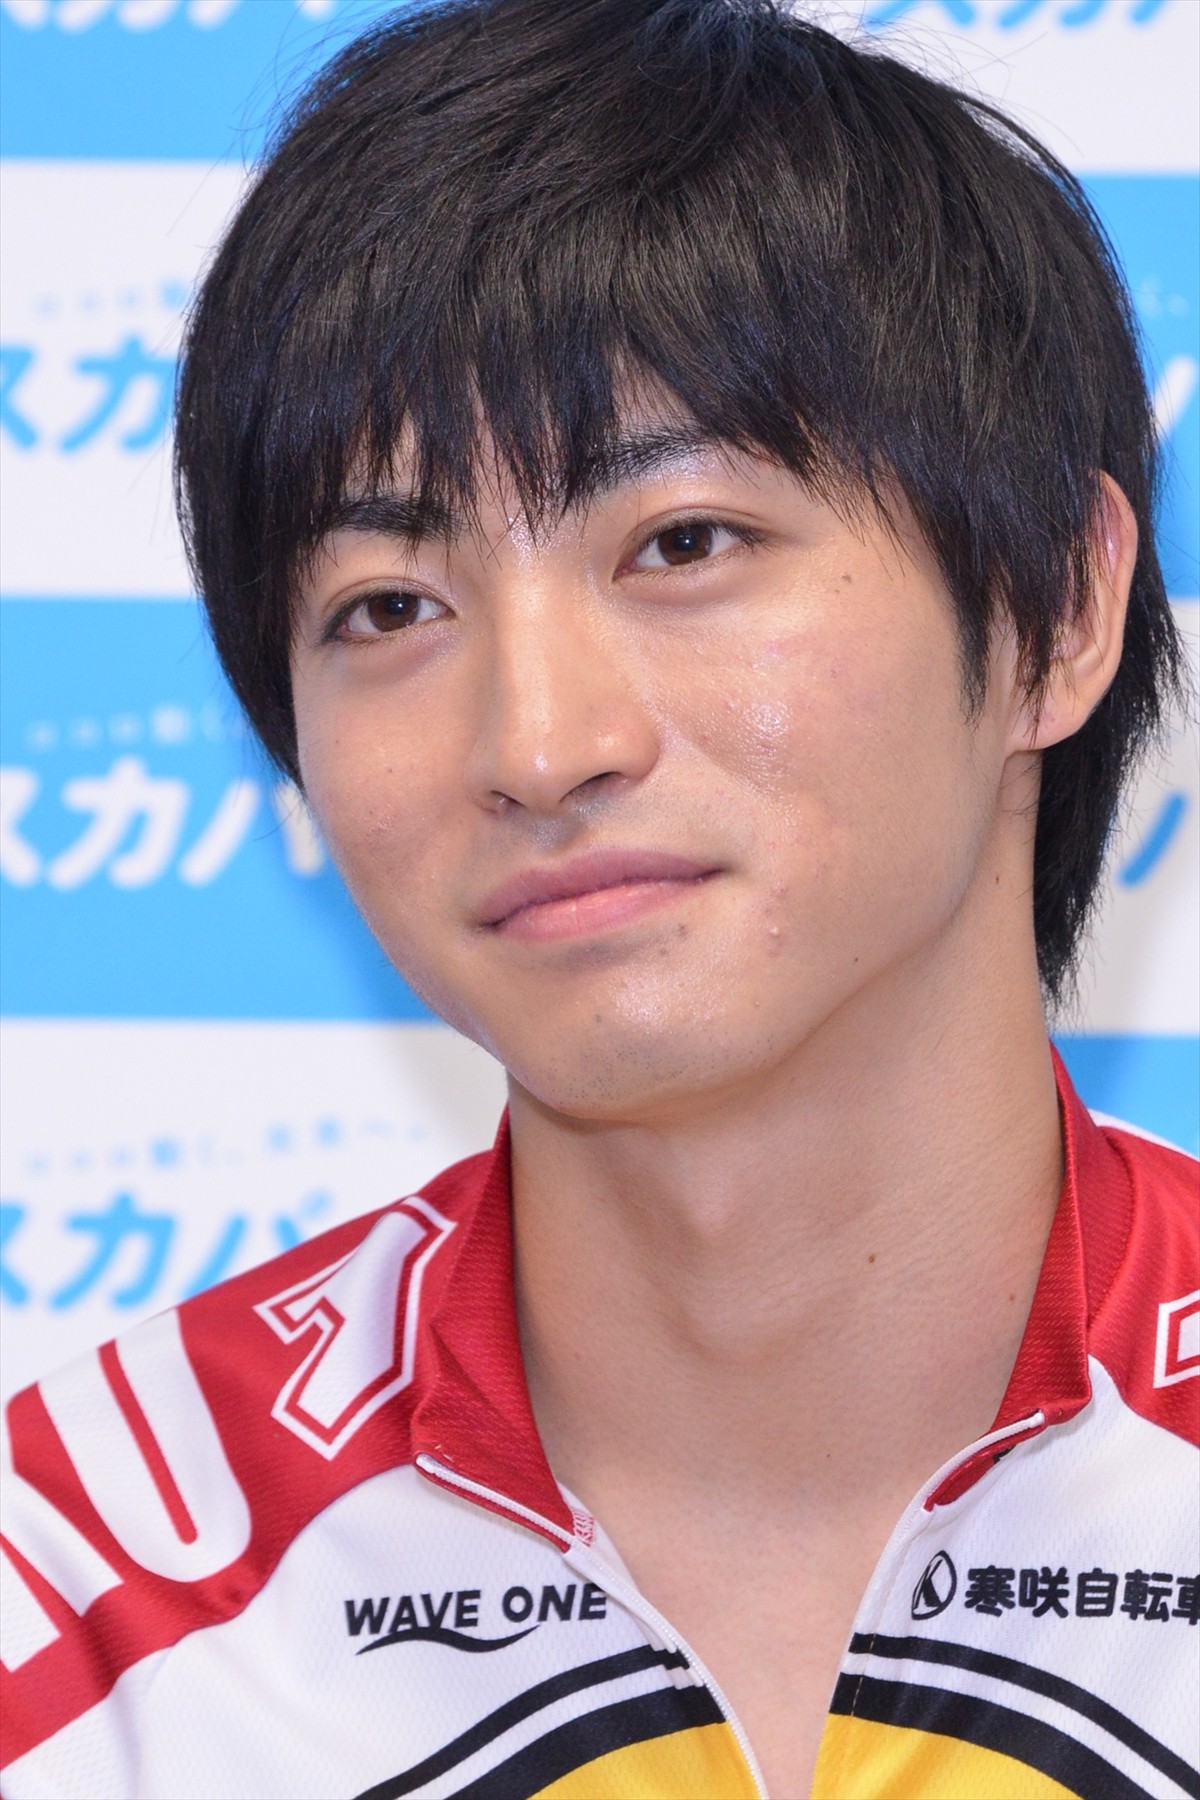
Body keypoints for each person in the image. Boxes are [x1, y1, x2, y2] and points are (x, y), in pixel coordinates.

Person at [2, 1, 1196, 1795]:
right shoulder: (86, 1608)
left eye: (684, 543)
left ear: (1055, 609)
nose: (540, 744)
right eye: (390, 607)